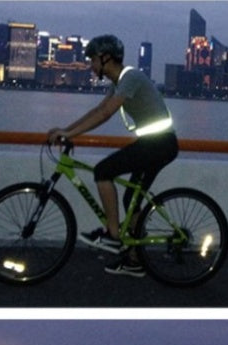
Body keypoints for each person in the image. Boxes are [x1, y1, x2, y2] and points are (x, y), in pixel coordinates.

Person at [47, 35, 179, 278]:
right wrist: (66, 130)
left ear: (106, 58)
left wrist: (69, 133)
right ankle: (135, 260)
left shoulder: (131, 77)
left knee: (103, 171)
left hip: (159, 145)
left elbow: (106, 113)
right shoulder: (118, 83)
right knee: (130, 200)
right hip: (154, 144)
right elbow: (98, 110)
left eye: (93, 60)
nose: (91, 65)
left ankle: (113, 235)